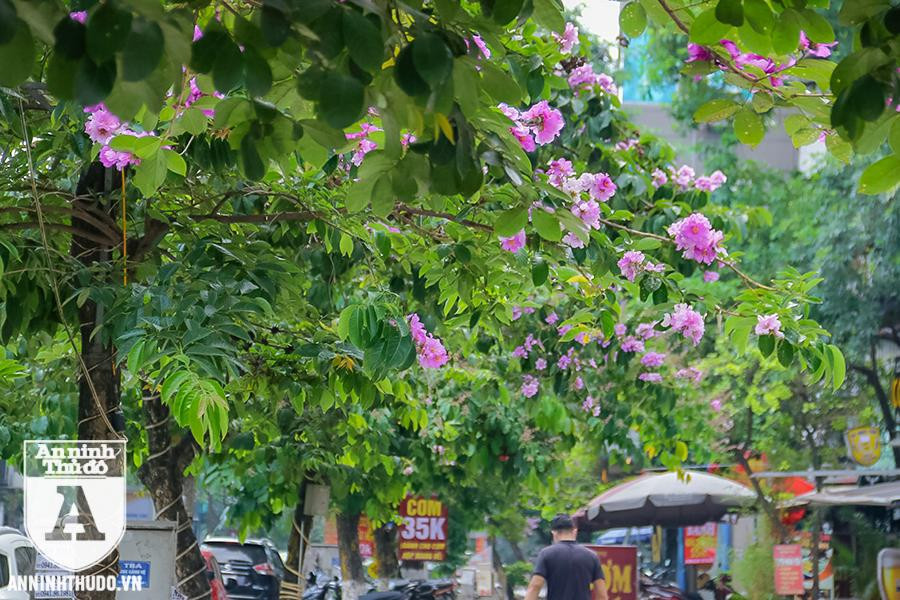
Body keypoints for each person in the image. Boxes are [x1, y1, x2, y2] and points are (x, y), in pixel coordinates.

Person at [524, 514, 608, 600]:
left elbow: (535, 586)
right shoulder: (591, 556)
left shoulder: (546, 554)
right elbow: (601, 594)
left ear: (553, 533)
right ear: (575, 531)